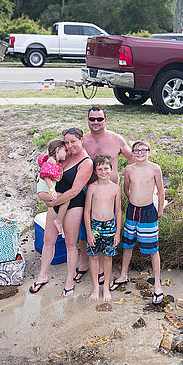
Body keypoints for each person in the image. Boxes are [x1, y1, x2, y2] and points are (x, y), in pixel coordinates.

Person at [72, 106, 135, 284]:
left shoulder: (116, 139)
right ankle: (85, 264)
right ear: (88, 120)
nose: (96, 122)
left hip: (111, 193)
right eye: (92, 119)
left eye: (99, 119)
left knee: (107, 229)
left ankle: (101, 267)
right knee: (86, 230)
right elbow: (68, 157)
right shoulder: (82, 140)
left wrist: (139, 183)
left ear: (105, 120)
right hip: (87, 191)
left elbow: (133, 161)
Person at [29, 128, 93, 298]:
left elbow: (74, 191)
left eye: (73, 141)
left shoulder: (86, 162)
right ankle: (42, 276)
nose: (70, 145)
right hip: (55, 202)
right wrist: (49, 201)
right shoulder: (64, 155)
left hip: (73, 204)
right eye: (67, 142)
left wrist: (51, 202)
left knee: (71, 244)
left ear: (81, 141)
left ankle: (69, 281)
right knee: (48, 241)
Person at [110, 141, 166, 304]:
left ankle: (157, 284)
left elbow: (161, 190)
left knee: (153, 248)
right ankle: (123, 275)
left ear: (149, 152)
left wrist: (159, 210)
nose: (140, 153)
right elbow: (126, 189)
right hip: (132, 211)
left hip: (149, 212)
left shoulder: (155, 168)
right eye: (136, 150)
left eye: (143, 150)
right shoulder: (129, 169)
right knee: (127, 244)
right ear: (132, 153)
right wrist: (134, 200)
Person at [83, 155, 122, 301]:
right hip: (95, 226)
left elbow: (118, 211)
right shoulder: (92, 188)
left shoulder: (116, 188)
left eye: (106, 168)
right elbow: (87, 211)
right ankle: (95, 287)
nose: (103, 171)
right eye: (99, 169)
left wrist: (117, 233)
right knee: (94, 256)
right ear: (95, 171)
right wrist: (89, 232)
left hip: (110, 226)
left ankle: (105, 286)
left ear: (111, 169)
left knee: (107, 257)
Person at [36, 139, 69, 236]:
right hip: (45, 191)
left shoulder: (53, 161)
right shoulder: (51, 161)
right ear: (57, 150)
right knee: (66, 199)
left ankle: (58, 220)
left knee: (57, 201)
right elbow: (46, 176)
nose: (66, 154)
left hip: (43, 192)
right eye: (65, 151)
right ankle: (59, 221)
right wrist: (52, 190)